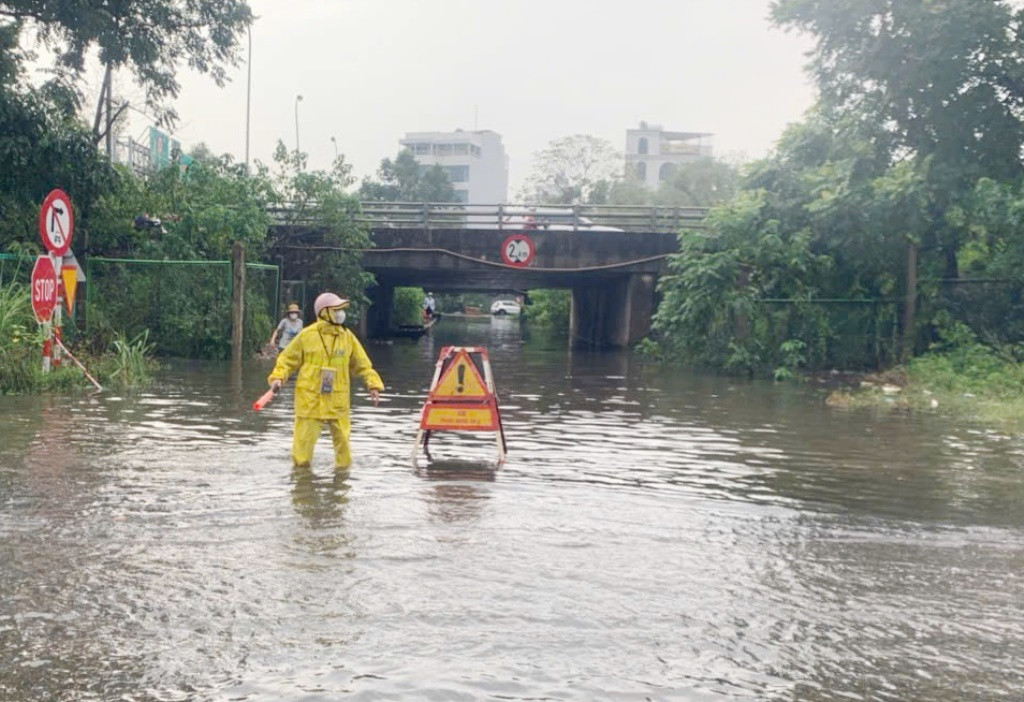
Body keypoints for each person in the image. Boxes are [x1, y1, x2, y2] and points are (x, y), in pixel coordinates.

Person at [267, 292, 384, 470]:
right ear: (325, 312)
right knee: (302, 453)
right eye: (337, 309)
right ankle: (302, 488)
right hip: (310, 400)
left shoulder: (347, 337)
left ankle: (341, 487)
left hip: (338, 400)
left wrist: (373, 385)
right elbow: (286, 360)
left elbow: (363, 364)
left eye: (341, 309)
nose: (341, 313)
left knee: (344, 453)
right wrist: (277, 378)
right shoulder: (307, 336)